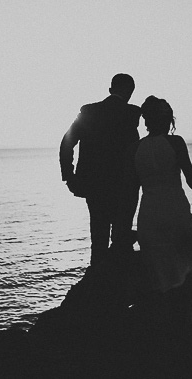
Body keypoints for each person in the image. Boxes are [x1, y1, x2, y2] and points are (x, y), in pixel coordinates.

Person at [126, 95, 192, 326]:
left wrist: (124, 228)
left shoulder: (135, 149)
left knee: (159, 279)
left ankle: (164, 331)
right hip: (175, 214)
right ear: (166, 119)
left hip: (149, 218)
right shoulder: (176, 143)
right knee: (190, 268)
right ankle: (188, 324)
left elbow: (132, 192)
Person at [60, 74, 141, 266]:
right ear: (130, 92)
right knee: (122, 237)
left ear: (110, 89)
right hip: (125, 186)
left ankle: (98, 280)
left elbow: (66, 144)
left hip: (94, 186)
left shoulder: (89, 112)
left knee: (98, 236)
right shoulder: (132, 114)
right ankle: (119, 283)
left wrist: (70, 177)